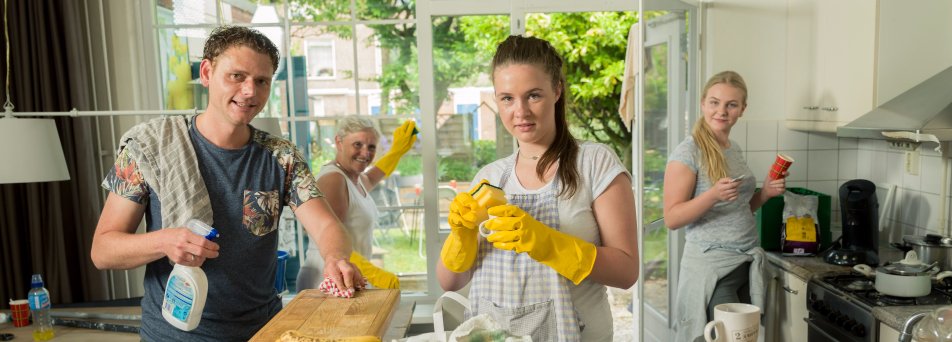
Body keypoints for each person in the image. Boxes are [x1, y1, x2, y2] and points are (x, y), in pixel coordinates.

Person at [90, 26, 365, 341]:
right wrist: (164, 241)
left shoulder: (282, 157)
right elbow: (103, 250)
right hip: (173, 335)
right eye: (237, 76)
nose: (250, 91)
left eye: (261, 81)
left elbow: (328, 227)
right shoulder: (149, 148)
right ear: (207, 72)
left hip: (264, 332)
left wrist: (335, 257)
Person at [435, 35, 639, 341]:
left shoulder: (594, 163)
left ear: (557, 90)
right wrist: (461, 235)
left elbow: (626, 272)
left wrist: (545, 243)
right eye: (507, 98)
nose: (520, 111)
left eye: (533, 95)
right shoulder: (490, 176)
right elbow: (450, 281)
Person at [661, 70, 787, 341]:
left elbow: (740, 208)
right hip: (713, 268)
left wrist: (764, 194)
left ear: (743, 109)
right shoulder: (688, 152)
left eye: (731, 104)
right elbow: (672, 218)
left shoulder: (733, 148)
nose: (722, 111)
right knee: (721, 337)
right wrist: (712, 195)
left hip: (745, 263)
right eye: (715, 102)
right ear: (703, 103)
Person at [296, 116, 416, 291]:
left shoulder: (356, 179)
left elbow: (375, 175)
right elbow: (327, 236)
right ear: (339, 142)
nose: (366, 153)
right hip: (326, 280)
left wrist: (396, 151)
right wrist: (374, 273)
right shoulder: (333, 179)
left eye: (371, 147)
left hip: (346, 277)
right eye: (357, 144)